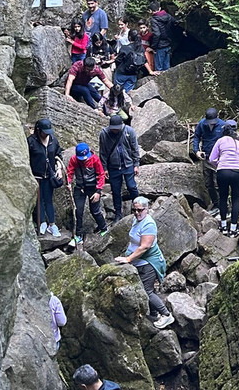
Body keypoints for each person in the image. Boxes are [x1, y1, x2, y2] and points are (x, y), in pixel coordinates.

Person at [114, 196, 174, 329]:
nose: (136, 213)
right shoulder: (136, 220)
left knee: (147, 291)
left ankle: (166, 315)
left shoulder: (149, 224)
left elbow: (145, 246)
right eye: (134, 210)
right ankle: (154, 314)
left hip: (149, 263)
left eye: (140, 210)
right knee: (148, 289)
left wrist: (128, 259)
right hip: (139, 262)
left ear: (146, 209)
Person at [209, 119, 239, 236]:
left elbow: (211, 159)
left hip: (223, 172)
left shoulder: (220, 141)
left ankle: (223, 227)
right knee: (235, 199)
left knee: (223, 198)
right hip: (237, 172)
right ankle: (233, 229)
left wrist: (219, 165)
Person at [99, 114, 140, 224]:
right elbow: (103, 152)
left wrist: (136, 164)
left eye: (117, 129)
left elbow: (135, 148)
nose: (115, 131)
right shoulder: (104, 134)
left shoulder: (129, 131)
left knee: (132, 186)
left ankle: (138, 208)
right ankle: (118, 213)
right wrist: (104, 168)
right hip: (113, 167)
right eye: (113, 129)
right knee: (116, 191)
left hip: (128, 164)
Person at [66, 142, 109, 243]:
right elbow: (69, 172)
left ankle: (104, 228)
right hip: (80, 187)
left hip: (93, 188)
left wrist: (98, 191)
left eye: (85, 158)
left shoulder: (94, 159)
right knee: (78, 211)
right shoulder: (74, 160)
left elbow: (101, 175)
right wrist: (68, 182)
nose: (84, 160)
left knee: (95, 211)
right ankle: (78, 235)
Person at [27, 118, 62, 237]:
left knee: (48, 200)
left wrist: (59, 169)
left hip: (49, 176)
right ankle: (42, 222)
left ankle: (52, 224)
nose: (46, 134)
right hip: (36, 176)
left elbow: (58, 155)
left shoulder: (53, 140)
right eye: (44, 132)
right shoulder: (31, 141)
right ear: (39, 130)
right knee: (39, 200)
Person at [190, 107, 225, 208]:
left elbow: (229, 140)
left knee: (218, 183)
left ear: (218, 116)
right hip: (206, 157)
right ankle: (215, 203)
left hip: (219, 159)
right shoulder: (202, 124)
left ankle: (223, 206)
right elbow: (196, 137)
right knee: (208, 183)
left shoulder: (223, 125)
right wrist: (196, 151)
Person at [148, 1, 176, 71]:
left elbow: (157, 34)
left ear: (151, 11)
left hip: (160, 46)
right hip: (168, 44)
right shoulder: (168, 16)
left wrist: (153, 47)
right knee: (167, 68)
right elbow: (175, 22)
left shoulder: (154, 20)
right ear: (159, 8)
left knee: (159, 69)